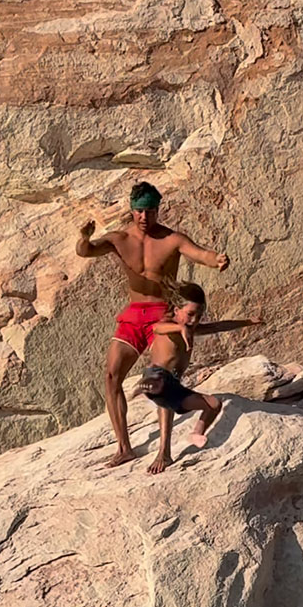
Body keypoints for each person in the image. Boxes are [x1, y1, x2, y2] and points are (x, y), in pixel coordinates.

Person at [76, 181, 230, 467]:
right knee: (111, 376)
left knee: (162, 381)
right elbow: (86, 251)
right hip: (134, 314)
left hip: (163, 313)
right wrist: (84, 238)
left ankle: (164, 452)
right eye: (139, 211)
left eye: (149, 211)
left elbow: (199, 253)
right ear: (131, 210)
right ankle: (124, 448)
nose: (144, 217)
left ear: (158, 210)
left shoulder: (172, 239)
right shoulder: (119, 239)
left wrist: (216, 259)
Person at [131, 281, 261, 474]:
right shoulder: (169, 325)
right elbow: (158, 328)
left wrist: (248, 322)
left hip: (174, 385)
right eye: (190, 314)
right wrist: (179, 329)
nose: (194, 320)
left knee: (214, 404)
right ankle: (163, 450)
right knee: (162, 387)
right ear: (176, 310)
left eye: (199, 316)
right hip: (157, 375)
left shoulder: (192, 328)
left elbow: (218, 326)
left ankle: (196, 433)